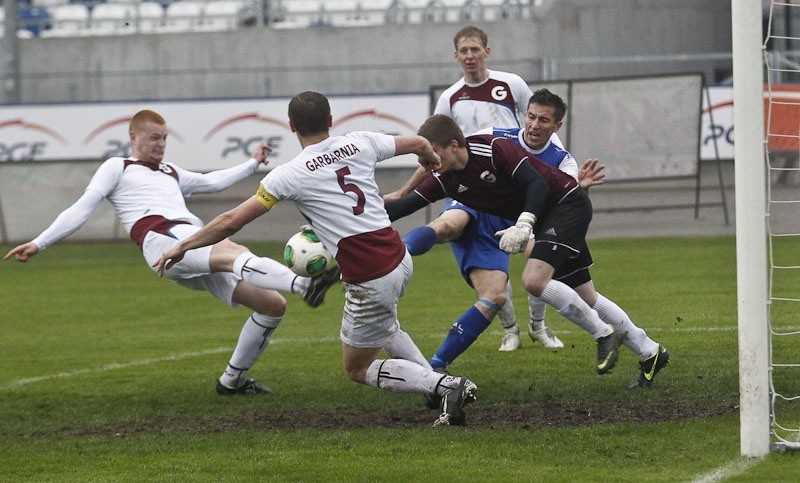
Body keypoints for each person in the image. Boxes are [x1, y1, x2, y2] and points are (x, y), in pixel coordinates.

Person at [153, 92, 478, 426]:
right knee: (386, 329)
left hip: (370, 274)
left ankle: (445, 385)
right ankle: (433, 386)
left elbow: (232, 221)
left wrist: (184, 245)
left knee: (358, 368)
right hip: (398, 257)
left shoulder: (288, 174)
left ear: (291, 126)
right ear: (330, 120)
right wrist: (429, 160)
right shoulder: (361, 142)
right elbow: (419, 142)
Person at [3, 109, 341, 396]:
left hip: (189, 239)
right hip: (163, 241)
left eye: (164, 138)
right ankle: (306, 285)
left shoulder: (170, 172)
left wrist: (251, 164)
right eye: (153, 138)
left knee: (271, 306)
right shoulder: (117, 167)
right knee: (230, 249)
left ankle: (232, 381)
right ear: (133, 136)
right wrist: (40, 242)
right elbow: (82, 208)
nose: (160, 144)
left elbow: (212, 183)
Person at [386, 113, 670, 389]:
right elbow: (403, 206)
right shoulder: (444, 177)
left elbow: (537, 183)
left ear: (454, 145)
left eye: (432, 153)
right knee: (586, 297)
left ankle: (603, 334)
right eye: (422, 157)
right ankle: (650, 351)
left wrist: (524, 224)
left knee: (534, 281)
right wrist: (357, 218)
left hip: (566, 207)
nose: (427, 162)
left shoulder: (494, 147)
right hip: (545, 220)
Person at [392, 88, 607, 377]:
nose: (534, 124)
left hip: (524, 214)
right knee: (448, 224)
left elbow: (553, 194)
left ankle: (540, 325)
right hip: (476, 203)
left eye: (543, 120)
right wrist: (394, 196)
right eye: (530, 117)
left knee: (551, 278)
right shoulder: (489, 138)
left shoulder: (550, 157)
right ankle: (398, 256)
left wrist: (533, 219)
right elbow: (414, 192)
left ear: (556, 127)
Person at [387, 24, 561, 352]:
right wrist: (403, 191)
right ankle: (510, 329)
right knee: (449, 228)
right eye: (463, 51)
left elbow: (541, 124)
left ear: (486, 51)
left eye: (474, 49)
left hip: (513, 185)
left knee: (534, 253)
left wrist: (558, 168)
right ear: (456, 56)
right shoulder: (450, 97)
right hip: (466, 186)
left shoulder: (512, 84)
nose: (469, 56)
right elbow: (430, 148)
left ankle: (539, 325)